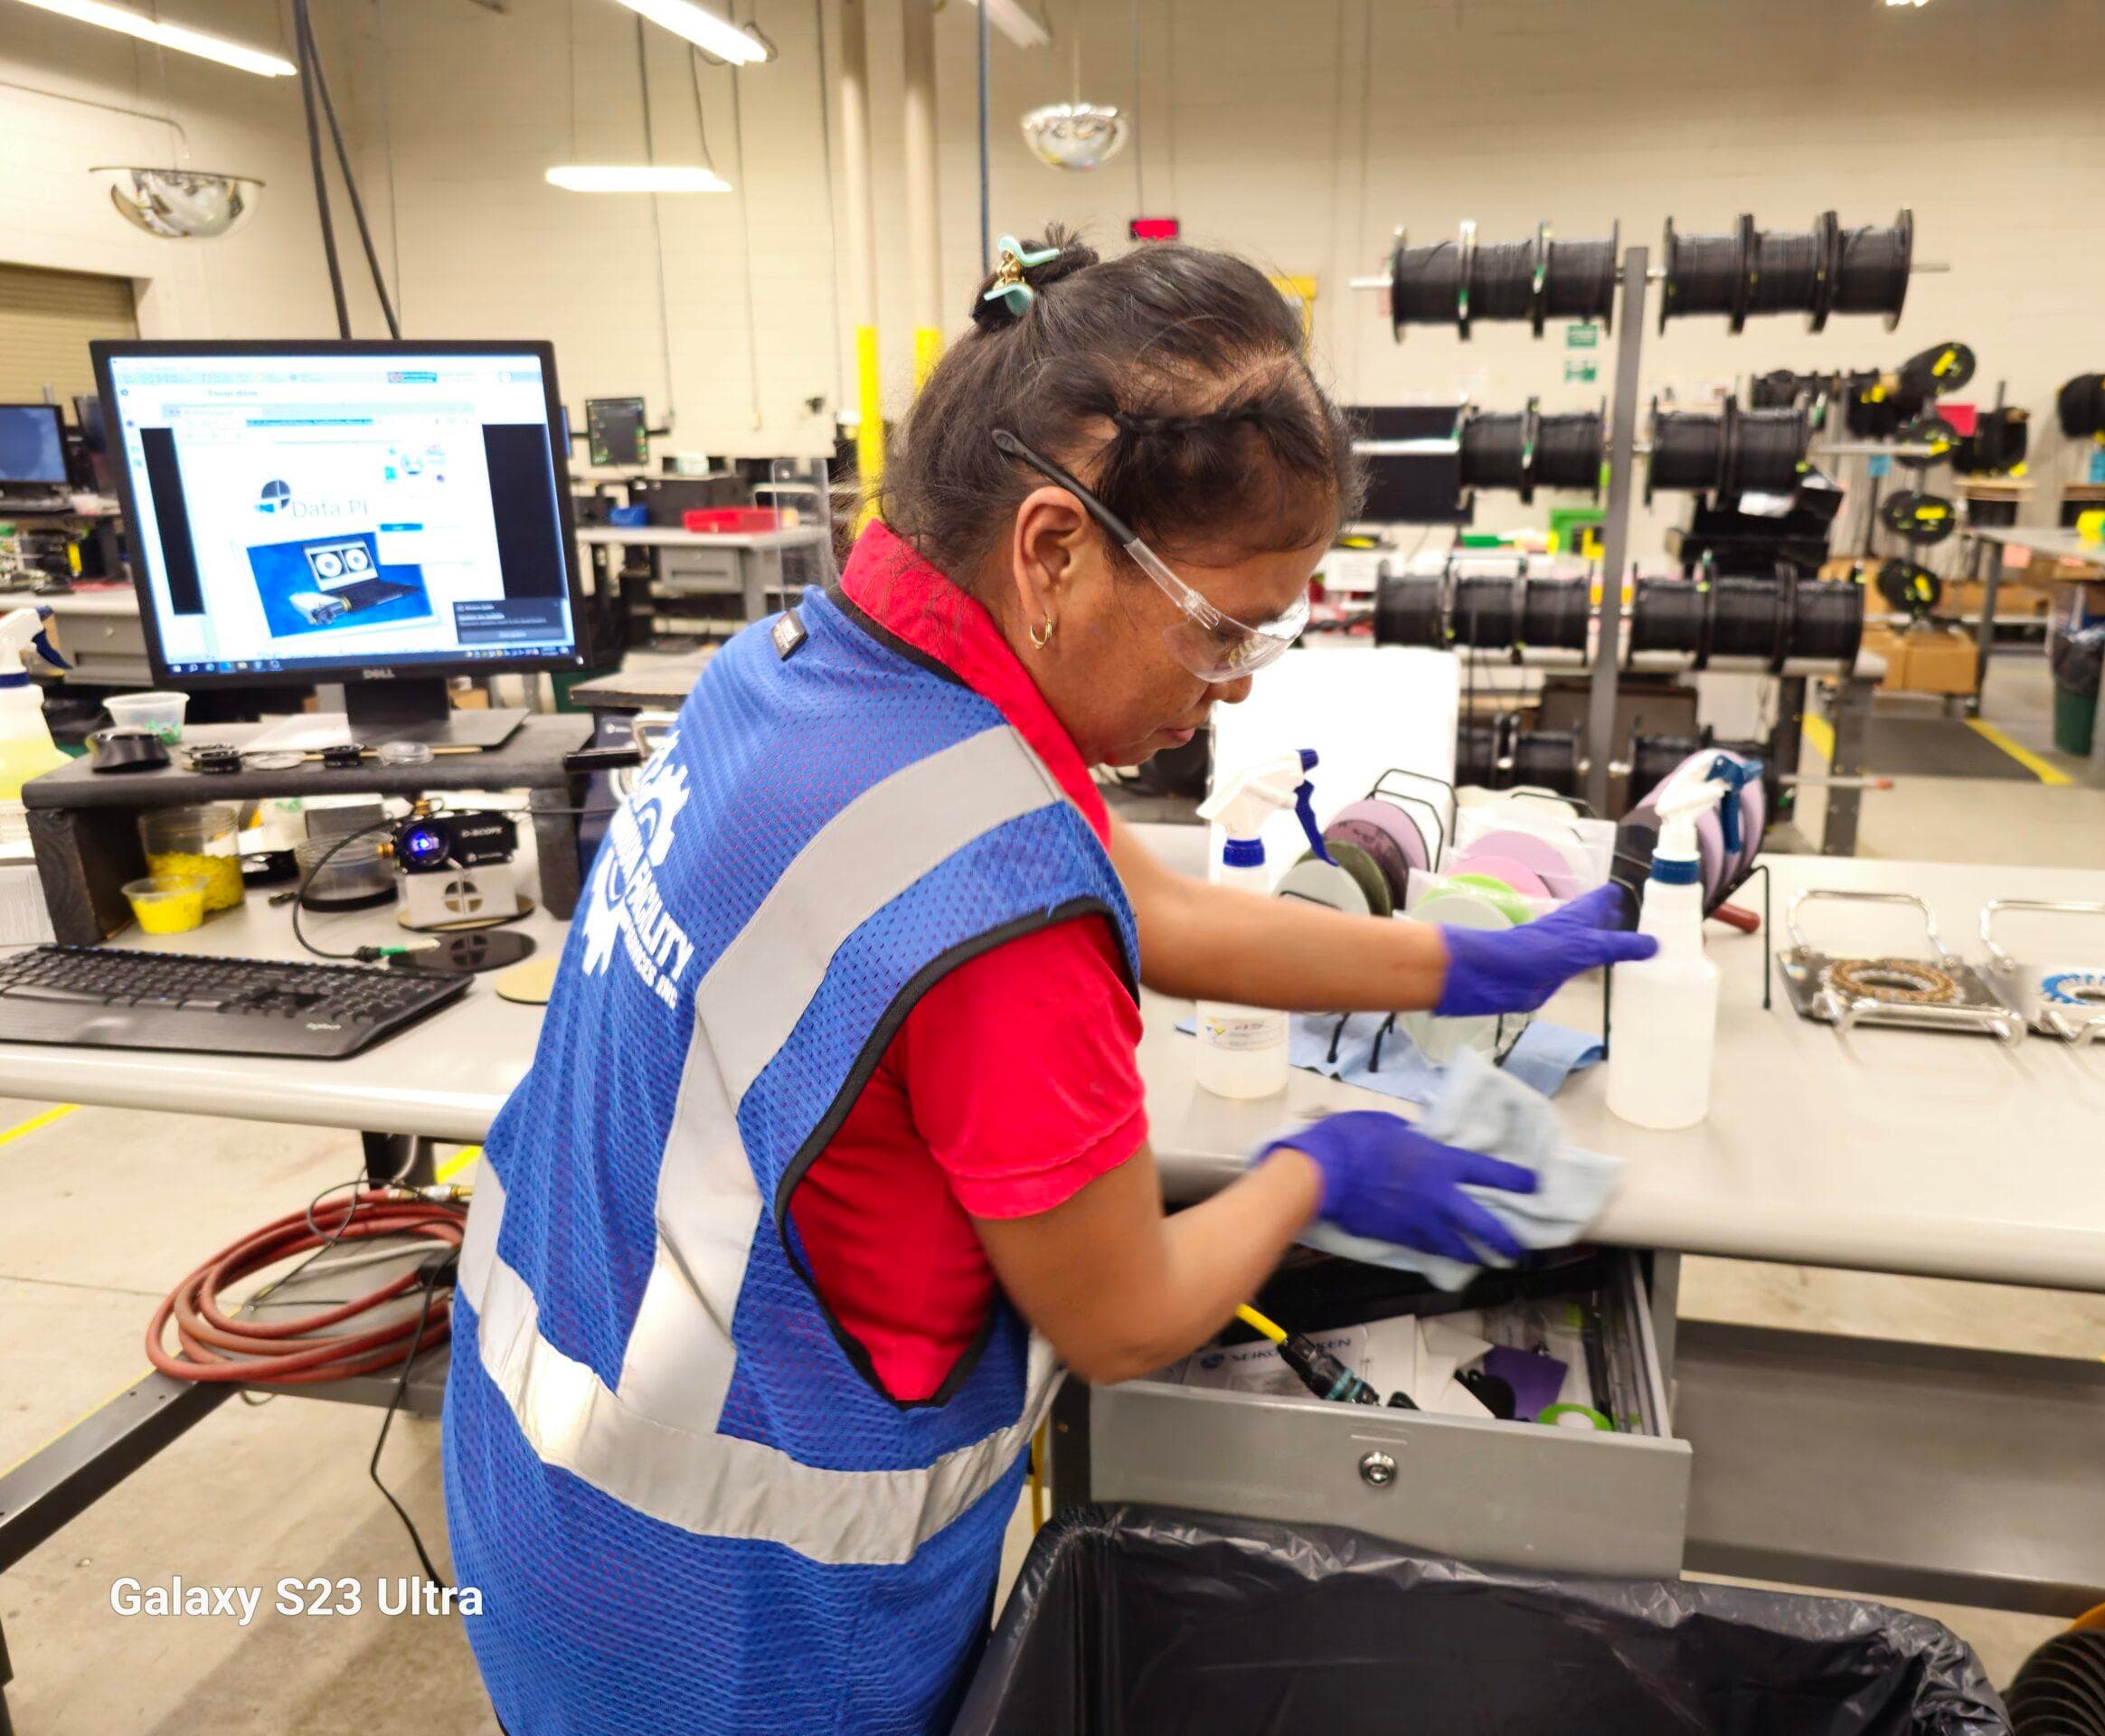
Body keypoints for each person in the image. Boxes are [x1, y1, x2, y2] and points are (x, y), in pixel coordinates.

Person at [442, 227, 1655, 1736]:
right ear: (1053, 550)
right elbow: (1124, 1320)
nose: (1236, 683)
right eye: (1223, 627)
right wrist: (1324, 1168)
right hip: (741, 1622)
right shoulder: (996, 911)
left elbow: (1154, 903)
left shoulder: (804, 669)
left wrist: (1461, 962)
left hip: (536, 1481)